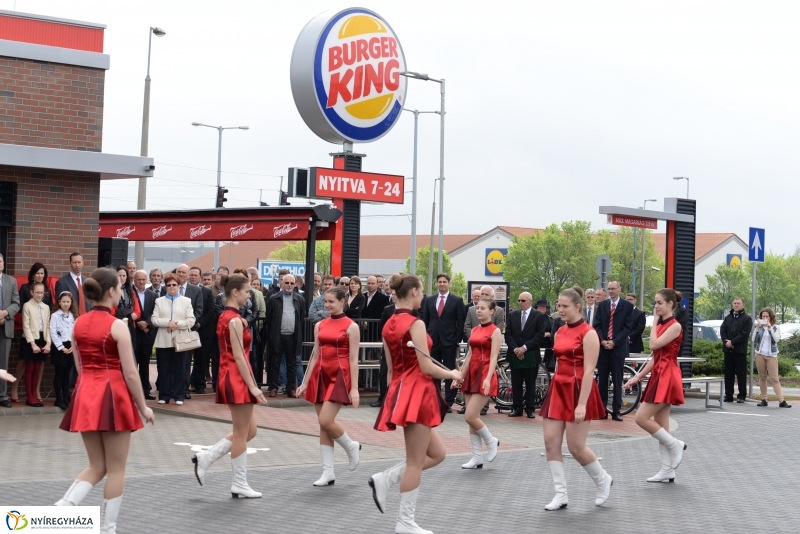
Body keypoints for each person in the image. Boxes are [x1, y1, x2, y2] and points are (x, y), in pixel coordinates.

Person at [56, 267, 155, 534]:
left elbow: (79, 366)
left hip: (86, 394)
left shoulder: (78, 323)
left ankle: (61, 509)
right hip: (113, 397)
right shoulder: (117, 326)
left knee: (97, 465)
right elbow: (131, 374)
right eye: (120, 289)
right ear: (111, 291)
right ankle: (108, 529)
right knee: (116, 469)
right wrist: (143, 406)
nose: (121, 293)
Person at [370, 273, 462, 534]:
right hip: (417, 392)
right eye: (421, 292)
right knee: (415, 461)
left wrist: (391, 396)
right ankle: (405, 522)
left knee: (438, 454)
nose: (423, 296)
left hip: (400, 389)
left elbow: (389, 368)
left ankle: (385, 479)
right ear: (412, 293)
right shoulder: (416, 323)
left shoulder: (389, 323)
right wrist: (453, 374)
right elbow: (426, 367)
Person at [192, 273, 267, 498]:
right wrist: (253, 386)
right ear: (235, 292)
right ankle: (239, 483)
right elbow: (239, 356)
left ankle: (206, 458)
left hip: (231, 374)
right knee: (242, 432)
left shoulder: (229, 317)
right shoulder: (232, 319)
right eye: (246, 292)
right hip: (235, 376)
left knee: (248, 430)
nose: (249, 297)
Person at [539, 286, 612, 510]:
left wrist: (582, 404)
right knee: (551, 443)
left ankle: (602, 480)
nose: (560, 310)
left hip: (579, 389)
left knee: (576, 448)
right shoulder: (560, 331)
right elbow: (559, 361)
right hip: (558, 388)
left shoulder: (589, 333)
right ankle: (560, 494)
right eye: (558, 305)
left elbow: (590, 370)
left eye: (565, 306)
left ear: (577, 307)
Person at [296, 286, 362, 486]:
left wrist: (355, 389)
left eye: (331, 302)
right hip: (320, 375)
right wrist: (305, 381)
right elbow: (315, 354)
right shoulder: (320, 325)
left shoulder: (351, 326)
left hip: (339, 376)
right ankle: (328, 472)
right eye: (325, 301)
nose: (327, 305)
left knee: (326, 420)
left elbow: (353, 359)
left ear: (342, 301)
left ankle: (351, 446)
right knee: (323, 424)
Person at [625, 288, 688, 483]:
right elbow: (654, 357)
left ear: (670, 304)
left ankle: (675, 445)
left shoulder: (674, 326)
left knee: (641, 418)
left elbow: (653, 345)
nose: (656, 306)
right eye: (655, 303)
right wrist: (638, 377)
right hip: (659, 374)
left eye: (660, 303)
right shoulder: (663, 325)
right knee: (662, 425)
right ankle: (667, 469)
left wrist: (653, 324)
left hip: (667, 375)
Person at [456, 297, 501, 470]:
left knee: (470, 415)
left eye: (483, 308)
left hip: (484, 373)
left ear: (491, 311)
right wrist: (460, 376)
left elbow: (493, 357)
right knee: (472, 418)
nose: (479, 310)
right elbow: (469, 355)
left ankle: (491, 441)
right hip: (472, 372)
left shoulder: (495, 331)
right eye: (477, 308)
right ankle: (477, 457)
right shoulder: (474, 329)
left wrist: (488, 378)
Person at [422, 273, 467, 409]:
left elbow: (461, 322)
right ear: (437, 284)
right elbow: (425, 320)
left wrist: (457, 339)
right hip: (433, 340)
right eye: (440, 282)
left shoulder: (457, 300)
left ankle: (448, 402)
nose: (442, 284)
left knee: (449, 371)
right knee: (433, 371)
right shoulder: (429, 300)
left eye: (444, 282)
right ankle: (435, 399)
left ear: (449, 283)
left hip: (449, 341)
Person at [592, 281, 635, 421]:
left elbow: (628, 327)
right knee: (602, 381)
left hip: (618, 348)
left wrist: (615, 342)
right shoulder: (602, 305)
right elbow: (596, 325)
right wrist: (602, 341)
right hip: (603, 348)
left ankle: (616, 410)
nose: (611, 291)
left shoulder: (627, 306)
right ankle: (602, 410)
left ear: (619, 289)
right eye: (609, 289)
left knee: (617, 381)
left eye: (613, 289)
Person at [151, 273, 195, 405]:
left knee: (180, 368)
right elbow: (154, 319)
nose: (171, 287)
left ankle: (179, 396)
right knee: (164, 369)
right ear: (165, 286)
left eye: (174, 285)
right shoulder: (159, 301)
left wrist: (176, 324)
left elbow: (191, 320)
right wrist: (167, 322)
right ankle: (164, 395)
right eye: (169, 285)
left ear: (179, 286)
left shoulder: (186, 301)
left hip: (180, 339)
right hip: (163, 340)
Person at [12, 262, 53, 402]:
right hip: (29, 330)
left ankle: (35, 391)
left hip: (42, 333)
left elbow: (48, 309)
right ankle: (15, 388)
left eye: (42, 273)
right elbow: (21, 308)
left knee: (39, 363)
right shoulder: (25, 288)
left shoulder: (47, 290)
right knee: (25, 362)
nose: (40, 275)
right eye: (38, 273)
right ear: (33, 274)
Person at [505, 292, 546, 418]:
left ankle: (530, 408)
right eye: (519, 300)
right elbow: (508, 335)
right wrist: (516, 349)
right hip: (515, 353)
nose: (520, 303)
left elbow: (539, 335)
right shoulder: (513, 315)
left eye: (523, 300)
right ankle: (517, 408)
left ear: (530, 301)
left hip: (531, 354)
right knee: (516, 383)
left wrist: (525, 347)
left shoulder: (538, 315)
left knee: (530, 383)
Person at [265, 274, 306, 398]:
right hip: (277, 336)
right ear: (281, 283)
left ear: (295, 284)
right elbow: (269, 319)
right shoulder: (273, 298)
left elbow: (301, 318)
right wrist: (270, 336)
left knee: (292, 364)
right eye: (286, 283)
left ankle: (291, 389)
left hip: (292, 336)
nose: (289, 285)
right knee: (275, 363)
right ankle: (273, 387)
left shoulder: (300, 299)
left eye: (291, 283)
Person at [21, 282, 51, 407]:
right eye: (37, 292)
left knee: (37, 368)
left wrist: (48, 342)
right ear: (32, 292)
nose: (40, 295)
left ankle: (34, 394)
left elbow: (48, 326)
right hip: (30, 340)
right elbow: (26, 326)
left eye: (41, 292)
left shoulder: (46, 307)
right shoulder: (27, 306)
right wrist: (32, 344)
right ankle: (29, 397)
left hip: (42, 339)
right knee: (30, 367)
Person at [753, 308, 791, 408]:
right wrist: (757, 328)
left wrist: (769, 328)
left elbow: (776, 340)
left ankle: (781, 400)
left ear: (771, 317)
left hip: (771, 356)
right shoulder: (760, 327)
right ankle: (764, 399)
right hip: (760, 354)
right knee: (762, 377)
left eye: (767, 316)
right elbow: (753, 339)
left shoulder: (775, 327)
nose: (765, 318)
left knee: (774, 378)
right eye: (763, 316)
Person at [720, 298, 753, 403]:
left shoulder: (747, 319)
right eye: (735, 303)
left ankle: (741, 396)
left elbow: (744, 334)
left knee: (741, 374)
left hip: (740, 350)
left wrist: (733, 342)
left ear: (743, 305)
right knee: (728, 374)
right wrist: (727, 342)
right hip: (728, 350)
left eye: (738, 303)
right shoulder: (728, 318)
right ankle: (728, 395)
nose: (736, 305)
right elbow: (722, 330)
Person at [190, 266, 217, 395]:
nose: (193, 277)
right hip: (186, 330)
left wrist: (200, 323)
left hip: (203, 330)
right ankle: (187, 383)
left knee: (202, 359)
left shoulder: (206, 292)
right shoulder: (185, 291)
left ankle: (199, 385)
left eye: (195, 275)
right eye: (192, 275)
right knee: (185, 359)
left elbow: (211, 311)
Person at [50, 291, 78, 410]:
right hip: (59, 347)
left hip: (70, 346)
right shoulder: (55, 316)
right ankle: (59, 399)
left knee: (67, 374)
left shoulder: (73, 316)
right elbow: (53, 332)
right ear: (59, 302)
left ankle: (66, 398)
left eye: (68, 302)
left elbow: (75, 331)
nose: (66, 304)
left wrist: (73, 346)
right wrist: (62, 348)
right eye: (64, 302)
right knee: (59, 373)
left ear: (71, 303)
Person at [132, 270, 157, 400]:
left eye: (143, 280)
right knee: (132, 364)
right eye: (138, 280)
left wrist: (147, 323)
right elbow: (128, 310)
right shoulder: (129, 293)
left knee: (145, 364)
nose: (141, 282)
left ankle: (145, 390)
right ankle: (131, 391)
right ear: (134, 280)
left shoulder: (152, 295)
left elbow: (155, 312)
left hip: (147, 334)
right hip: (134, 334)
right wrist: (139, 323)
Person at [0, 253, 20, 408]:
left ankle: (2, 395)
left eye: (1, 261)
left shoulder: (11, 281)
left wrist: (5, 313)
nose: (0, 264)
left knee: (3, 363)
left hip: (5, 326)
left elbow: (16, 303)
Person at [371, 287, 396, 408]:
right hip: (388, 346)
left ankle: (394, 399)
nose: (394, 296)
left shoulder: (411, 311)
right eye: (393, 294)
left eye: (397, 294)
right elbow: (382, 326)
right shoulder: (388, 309)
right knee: (384, 373)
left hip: (402, 349)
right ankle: (382, 398)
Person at [114, 266, 141, 350]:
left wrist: (135, 315)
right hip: (116, 324)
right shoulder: (112, 290)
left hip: (129, 324)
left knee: (130, 350)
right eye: (119, 275)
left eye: (124, 276)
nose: (122, 278)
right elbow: (111, 308)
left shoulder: (130, 290)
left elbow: (137, 309)